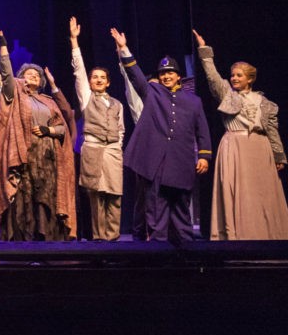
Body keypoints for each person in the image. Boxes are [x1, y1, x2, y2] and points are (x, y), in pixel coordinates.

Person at [114, 28, 211, 244]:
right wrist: (123, 48)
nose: (166, 76)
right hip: (155, 163)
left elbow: (202, 130)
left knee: (181, 213)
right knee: (156, 214)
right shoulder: (152, 92)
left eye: (170, 73)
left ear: (178, 76)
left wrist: (204, 156)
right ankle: (158, 257)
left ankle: (187, 257)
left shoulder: (193, 101)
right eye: (162, 73)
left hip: (181, 162)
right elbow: (134, 74)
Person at [194, 30, 288, 240]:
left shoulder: (265, 103)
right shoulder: (227, 94)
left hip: (260, 148)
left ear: (250, 79)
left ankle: (269, 238)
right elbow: (213, 76)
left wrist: (279, 155)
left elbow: (272, 131)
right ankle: (238, 238)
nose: (234, 78)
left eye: (239, 75)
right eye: (233, 75)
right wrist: (204, 51)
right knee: (239, 194)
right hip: (235, 147)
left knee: (263, 194)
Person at [0, 28, 77, 241]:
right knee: (25, 196)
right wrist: (4, 45)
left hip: (48, 156)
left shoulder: (49, 102)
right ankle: (25, 239)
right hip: (25, 154)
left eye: (36, 75)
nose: (32, 76)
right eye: (27, 74)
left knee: (45, 197)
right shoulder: (15, 96)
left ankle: (47, 238)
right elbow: (6, 74)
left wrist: (48, 130)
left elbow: (63, 127)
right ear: (20, 78)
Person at [69, 18, 125, 241]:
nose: (98, 80)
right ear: (90, 82)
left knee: (115, 197)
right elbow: (79, 73)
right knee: (97, 197)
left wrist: (117, 145)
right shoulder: (86, 98)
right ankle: (100, 241)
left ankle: (114, 240)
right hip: (92, 150)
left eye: (102, 78)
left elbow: (121, 129)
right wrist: (74, 41)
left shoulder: (117, 104)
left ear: (109, 82)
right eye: (95, 78)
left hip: (112, 151)